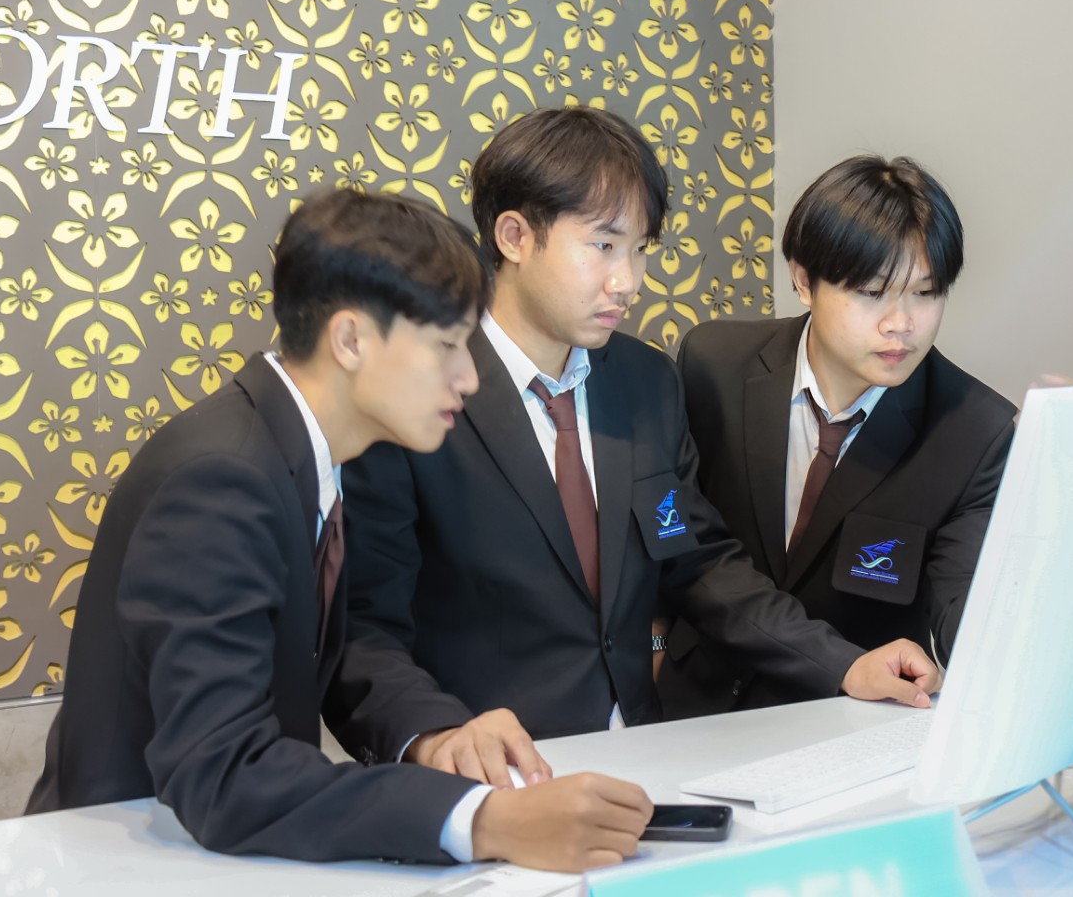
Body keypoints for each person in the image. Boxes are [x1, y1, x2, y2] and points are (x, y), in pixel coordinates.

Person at [27, 189, 652, 871]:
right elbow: (222, 772)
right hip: (126, 864)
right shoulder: (221, 479)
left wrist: (441, 736)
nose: (470, 378)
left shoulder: (293, 455)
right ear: (351, 339)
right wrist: (483, 819)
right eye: (448, 345)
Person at [334, 106, 940, 751]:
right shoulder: (414, 391)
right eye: (603, 246)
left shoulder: (645, 381)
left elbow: (694, 560)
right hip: (492, 769)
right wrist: (432, 738)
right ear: (514, 237)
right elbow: (363, 626)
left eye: (640, 250)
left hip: (645, 752)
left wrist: (842, 664)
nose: (629, 282)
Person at [655, 155, 1016, 718]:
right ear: (804, 280)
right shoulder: (714, 365)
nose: (901, 324)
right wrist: (653, 645)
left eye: (925, 293)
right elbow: (687, 548)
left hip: (846, 720)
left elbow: (968, 607)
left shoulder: (975, 430)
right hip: (691, 703)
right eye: (872, 292)